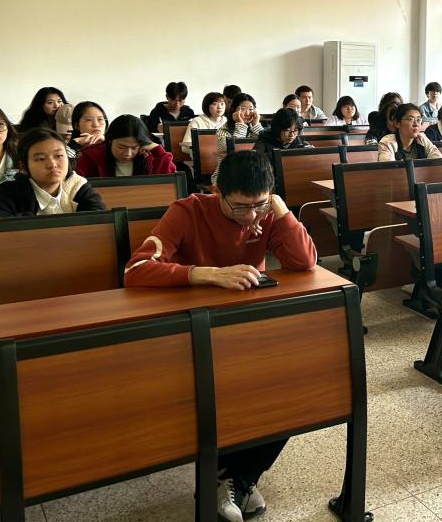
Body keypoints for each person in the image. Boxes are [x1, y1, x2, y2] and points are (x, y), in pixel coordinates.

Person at [122, 150, 316, 521]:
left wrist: (281, 212)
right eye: (240, 207)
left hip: (247, 326)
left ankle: (235, 478)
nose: (251, 216)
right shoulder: (187, 211)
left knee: (295, 387)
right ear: (216, 192)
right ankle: (235, 479)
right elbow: (136, 270)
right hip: (195, 329)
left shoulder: (267, 212)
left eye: (260, 205)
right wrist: (206, 273)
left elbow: (305, 261)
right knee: (229, 390)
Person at [0, 128, 105, 217]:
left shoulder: (77, 186)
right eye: (40, 158)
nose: (52, 164)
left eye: (59, 156)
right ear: (23, 166)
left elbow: (99, 221)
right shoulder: (5, 195)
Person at [76, 115, 176, 178]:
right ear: (110, 141)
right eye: (121, 147)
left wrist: (158, 151)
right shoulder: (92, 156)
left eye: (134, 148)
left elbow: (169, 184)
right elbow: (77, 185)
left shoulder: (147, 155)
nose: (128, 154)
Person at [213, 94, 262, 185]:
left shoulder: (254, 129)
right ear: (233, 110)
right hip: (228, 175)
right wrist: (240, 124)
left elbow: (266, 144)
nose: (247, 113)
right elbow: (235, 152)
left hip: (253, 176)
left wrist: (256, 125)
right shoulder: (223, 131)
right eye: (243, 109)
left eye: (251, 109)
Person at [377, 103, 442, 161]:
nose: (416, 124)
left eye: (418, 120)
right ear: (397, 123)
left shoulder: (421, 138)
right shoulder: (388, 142)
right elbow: (388, 169)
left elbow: (439, 161)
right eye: (410, 119)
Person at [181, 92, 227, 157]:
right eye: (214, 104)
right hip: (202, 158)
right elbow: (185, 147)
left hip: (224, 158)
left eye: (222, 104)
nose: (219, 107)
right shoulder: (197, 122)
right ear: (207, 106)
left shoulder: (228, 122)